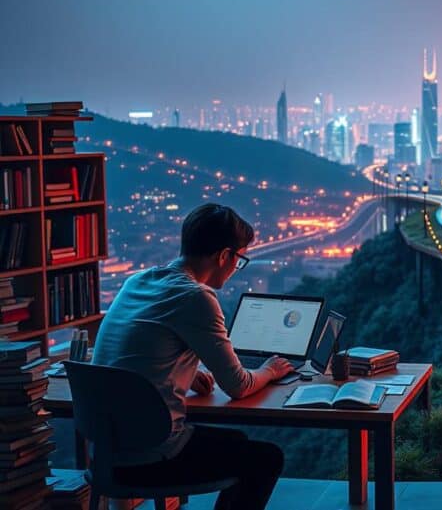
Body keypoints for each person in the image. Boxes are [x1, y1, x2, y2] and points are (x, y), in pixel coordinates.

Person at [91, 203, 294, 510]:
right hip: (152, 457)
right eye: (239, 258)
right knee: (266, 458)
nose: (235, 266)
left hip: (106, 455)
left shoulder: (137, 281)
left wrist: (186, 372)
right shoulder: (195, 296)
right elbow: (238, 386)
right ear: (224, 255)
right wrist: (269, 370)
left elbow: (143, 351)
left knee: (236, 441)